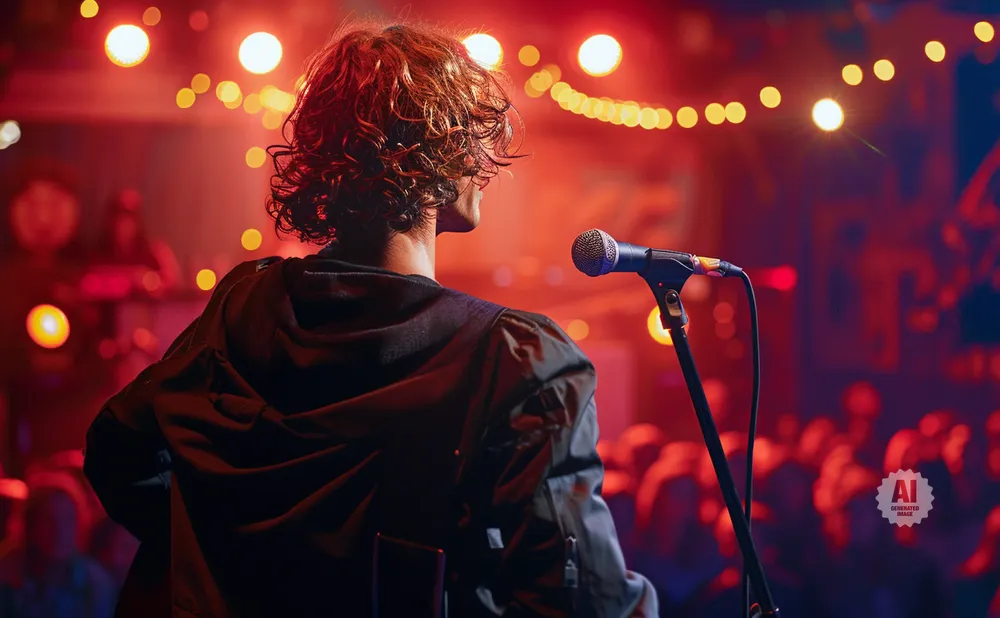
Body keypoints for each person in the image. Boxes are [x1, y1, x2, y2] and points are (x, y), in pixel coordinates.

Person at [83, 21, 657, 618]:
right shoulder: (515, 358)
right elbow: (586, 600)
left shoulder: (241, 307)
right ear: (434, 152)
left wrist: (215, 554)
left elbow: (118, 447)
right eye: (470, 138)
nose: (484, 162)